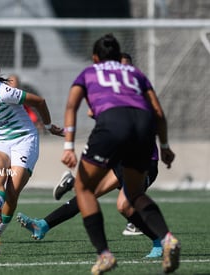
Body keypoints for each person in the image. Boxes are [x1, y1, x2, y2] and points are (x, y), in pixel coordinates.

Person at [61, 33, 180, 274]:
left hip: (113, 123)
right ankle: (167, 238)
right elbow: (157, 111)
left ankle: (104, 254)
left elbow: (72, 106)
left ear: (95, 57)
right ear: (118, 56)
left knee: (83, 188)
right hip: (143, 126)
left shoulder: (89, 73)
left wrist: (68, 146)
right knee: (134, 192)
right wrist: (165, 146)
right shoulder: (136, 74)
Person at [0, 59, 63, 256]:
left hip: (24, 140)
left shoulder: (4, 92)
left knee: (12, 192)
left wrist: (49, 127)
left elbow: (39, 102)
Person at [52, 52, 146, 237]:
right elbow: (88, 110)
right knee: (119, 192)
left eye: (126, 65)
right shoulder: (111, 88)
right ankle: (148, 233)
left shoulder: (135, 86)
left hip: (124, 146)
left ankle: (135, 225)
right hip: (115, 144)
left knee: (110, 192)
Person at [17, 147, 163, 258]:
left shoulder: (131, 111)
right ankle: (43, 225)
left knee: (123, 205)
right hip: (122, 162)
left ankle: (158, 240)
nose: (89, 112)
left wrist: (164, 146)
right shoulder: (108, 115)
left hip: (143, 161)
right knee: (86, 194)